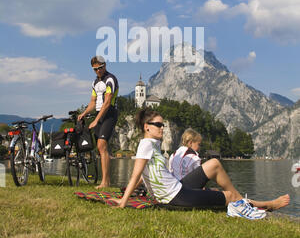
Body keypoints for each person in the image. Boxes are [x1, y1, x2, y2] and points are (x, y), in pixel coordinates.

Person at [111, 109, 290, 219]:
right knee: (227, 195)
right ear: (146, 127)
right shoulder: (145, 145)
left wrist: (137, 191)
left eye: (163, 124)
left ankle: (244, 202)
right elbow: (136, 174)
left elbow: (145, 174)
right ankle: (264, 204)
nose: (162, 127)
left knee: (214, 164)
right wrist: (123, 202)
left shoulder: (153, 145)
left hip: (177, 187)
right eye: (158, 124)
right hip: (175, 196)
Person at [78, 55, 118, 188]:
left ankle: (105, 182)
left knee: (101, 145)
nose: (98, 71)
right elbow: (93, 103)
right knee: (101, 148)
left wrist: (96, 120)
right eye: (95, 69)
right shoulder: (95, 82)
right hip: (98, 113)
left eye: (100, 68)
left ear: (105, 65)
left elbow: (107, 102)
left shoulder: (110, 79)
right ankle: (106, 180)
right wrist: (84, 113)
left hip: (109, 113)